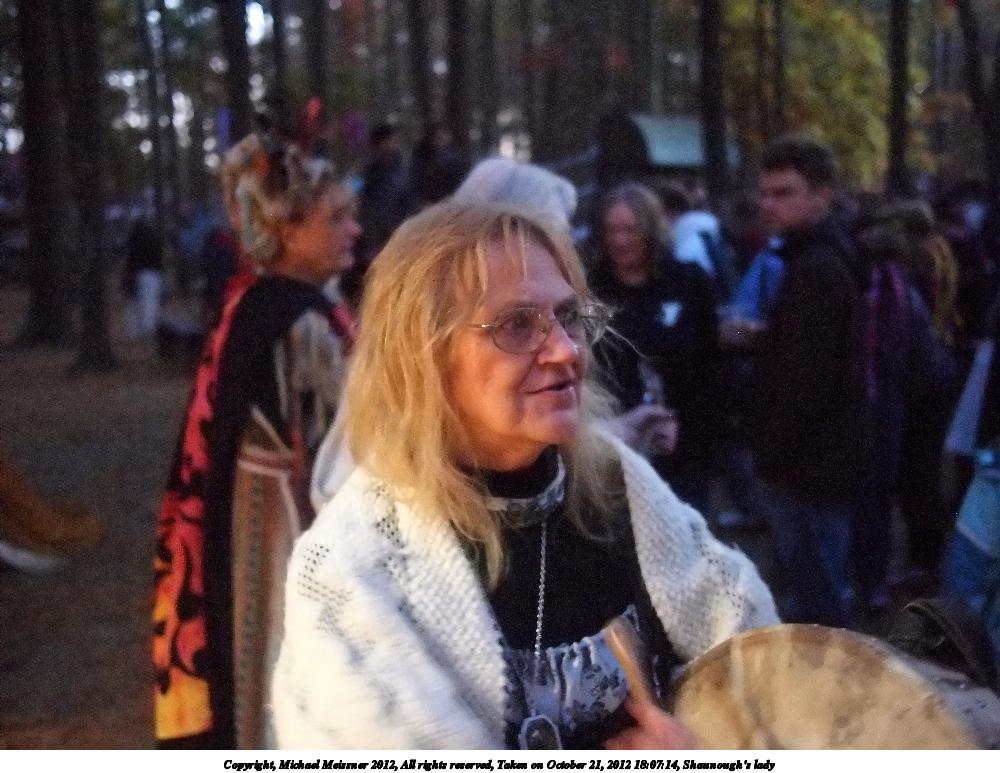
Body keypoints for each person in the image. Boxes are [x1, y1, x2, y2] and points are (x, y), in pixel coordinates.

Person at [272, 201, 777, 750]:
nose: (566, 351)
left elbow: (764, 669)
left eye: (569, 316)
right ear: (423, 356)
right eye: (516, 325)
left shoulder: (620, 488)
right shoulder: (351, 569)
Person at [152, 130, 360, 749]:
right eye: (336, 218)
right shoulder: (300, 322)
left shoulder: (253, 304)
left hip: (244, 514)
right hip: (285, 527)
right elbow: (341, 451)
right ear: (287, 230)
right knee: (285, 665)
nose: (354, 229)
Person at [752, 134, 870, 627]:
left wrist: (773, 453)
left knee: (817, 605)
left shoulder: (818, 268)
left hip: (811, 465)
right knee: (815, 592)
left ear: (822, 195)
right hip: (817, 459)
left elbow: (809, 382)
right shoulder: (814, 258)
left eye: (784, 193)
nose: (769, 204)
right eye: (765, 193)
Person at [589, 183, 721, 514]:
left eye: (630, 230)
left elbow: (712, 363)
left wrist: (696, 431)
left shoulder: (688, 282)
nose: (620, 240)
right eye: (612, 230)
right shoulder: (591, 290)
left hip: (685, 448)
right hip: (615, 446)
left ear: (650, 229)